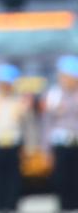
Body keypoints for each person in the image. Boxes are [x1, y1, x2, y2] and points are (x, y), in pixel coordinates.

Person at [0, 63, 27, 212]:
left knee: (13, 179)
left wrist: (28, 147)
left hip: (13, 144)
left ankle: (11, 206)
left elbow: (26, 125)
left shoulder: (18, 100)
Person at [42, 54, 78, 211]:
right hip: (61, 145)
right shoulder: (54, 95)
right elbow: (47, 124)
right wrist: (46, 150)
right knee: (62, 180)